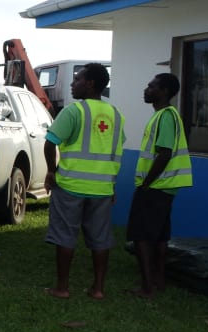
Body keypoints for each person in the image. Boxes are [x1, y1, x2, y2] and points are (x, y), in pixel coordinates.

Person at [43, 63, 125, 300]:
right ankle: (98, 288)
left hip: (71, 185)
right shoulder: (116, 115)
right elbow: (114, 152)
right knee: (100, 238)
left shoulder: (74, 111)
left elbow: (50, 142)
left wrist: (51, 172)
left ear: (90, 84)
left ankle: (62, 287)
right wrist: (111, 185)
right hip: (102, 188)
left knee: (65, 235)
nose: (72, 83)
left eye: (77, 79)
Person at [126, 73, 192, 298]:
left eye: (151, 86)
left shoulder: (165, 116)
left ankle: (147, 287)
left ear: (164, 91)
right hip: (164, 187)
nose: (146, 89)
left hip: (156, 187)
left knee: (142, 236)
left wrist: (146, 184)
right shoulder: (164, 116)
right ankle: (159, 281)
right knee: (160, 236)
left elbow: (164, 154)